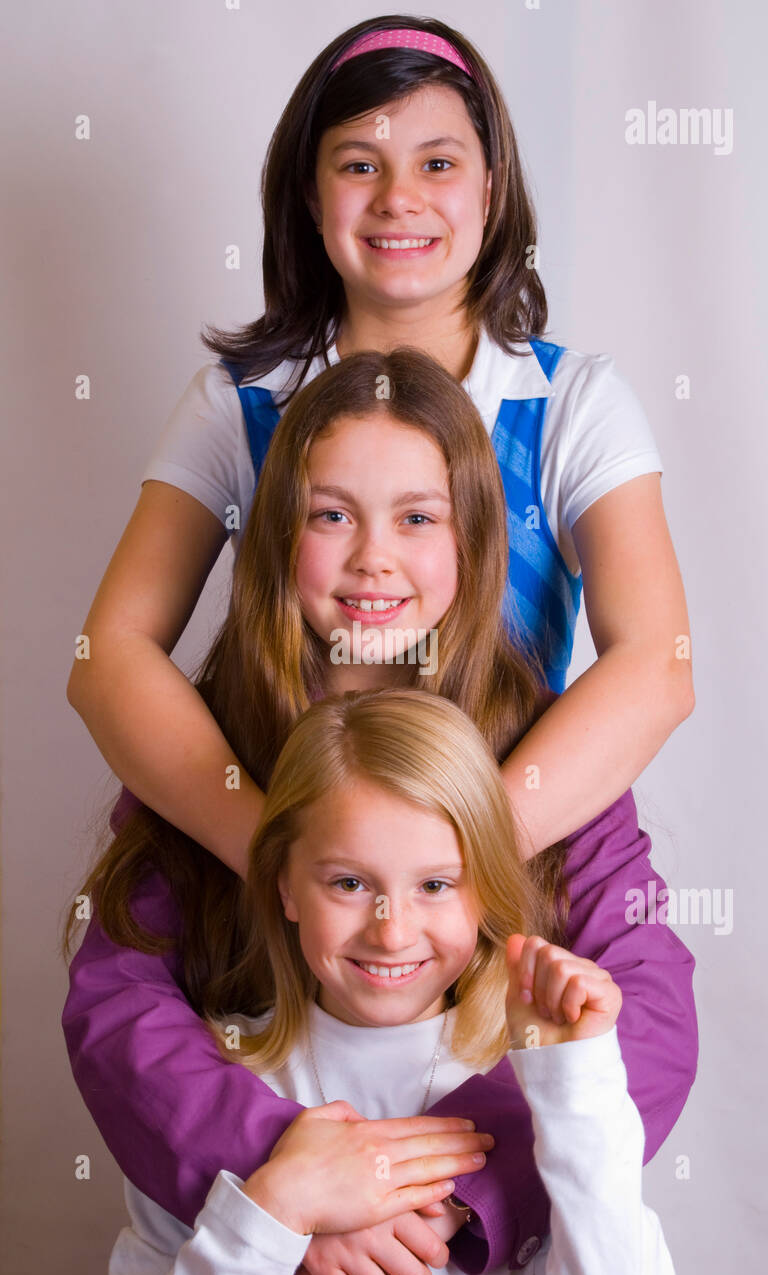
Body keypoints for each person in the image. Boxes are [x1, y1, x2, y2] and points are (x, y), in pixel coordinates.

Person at [64, 349, 697, 1275]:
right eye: (330, 516)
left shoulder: (552, 752)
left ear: (474, 542)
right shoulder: (205, 747)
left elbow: (644, 1011)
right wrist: (291, 1198)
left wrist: (446, 1194)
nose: (373, 558)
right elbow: (120, 1016)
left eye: (417, 518)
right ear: (277, 537)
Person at [66, 14, 694, 887]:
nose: (399, 197)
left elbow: (658, 665)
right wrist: (282, 860)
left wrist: (452, 867)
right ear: (311, 197)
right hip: (299, 864)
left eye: (438, 163)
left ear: (491, 187)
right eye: (360, 164)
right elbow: (109, 655)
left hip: (500, 864)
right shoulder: (239, 403)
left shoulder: (574, 406)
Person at [108, 688, 679, 1275]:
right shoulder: (208, 1087)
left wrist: (577, 1083)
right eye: (349, 882)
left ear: (483, 891)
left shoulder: (530, 1085)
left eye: (434, 884)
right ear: (285, 887)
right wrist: (275, 1205)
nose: (392, 930)